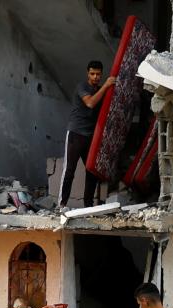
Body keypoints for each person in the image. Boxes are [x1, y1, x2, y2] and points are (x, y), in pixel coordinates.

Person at [59, 60, 117, 210]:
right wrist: (106, 85)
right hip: (76, 133)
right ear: (88, 73)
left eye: (98, 74)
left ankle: (88, 205)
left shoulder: (101, 90)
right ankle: (62, 204)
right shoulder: (82, 87)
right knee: (69, 170)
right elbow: (90, 103)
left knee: (91, 171)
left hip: (91, 137)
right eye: (93, 74)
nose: (96, 77)